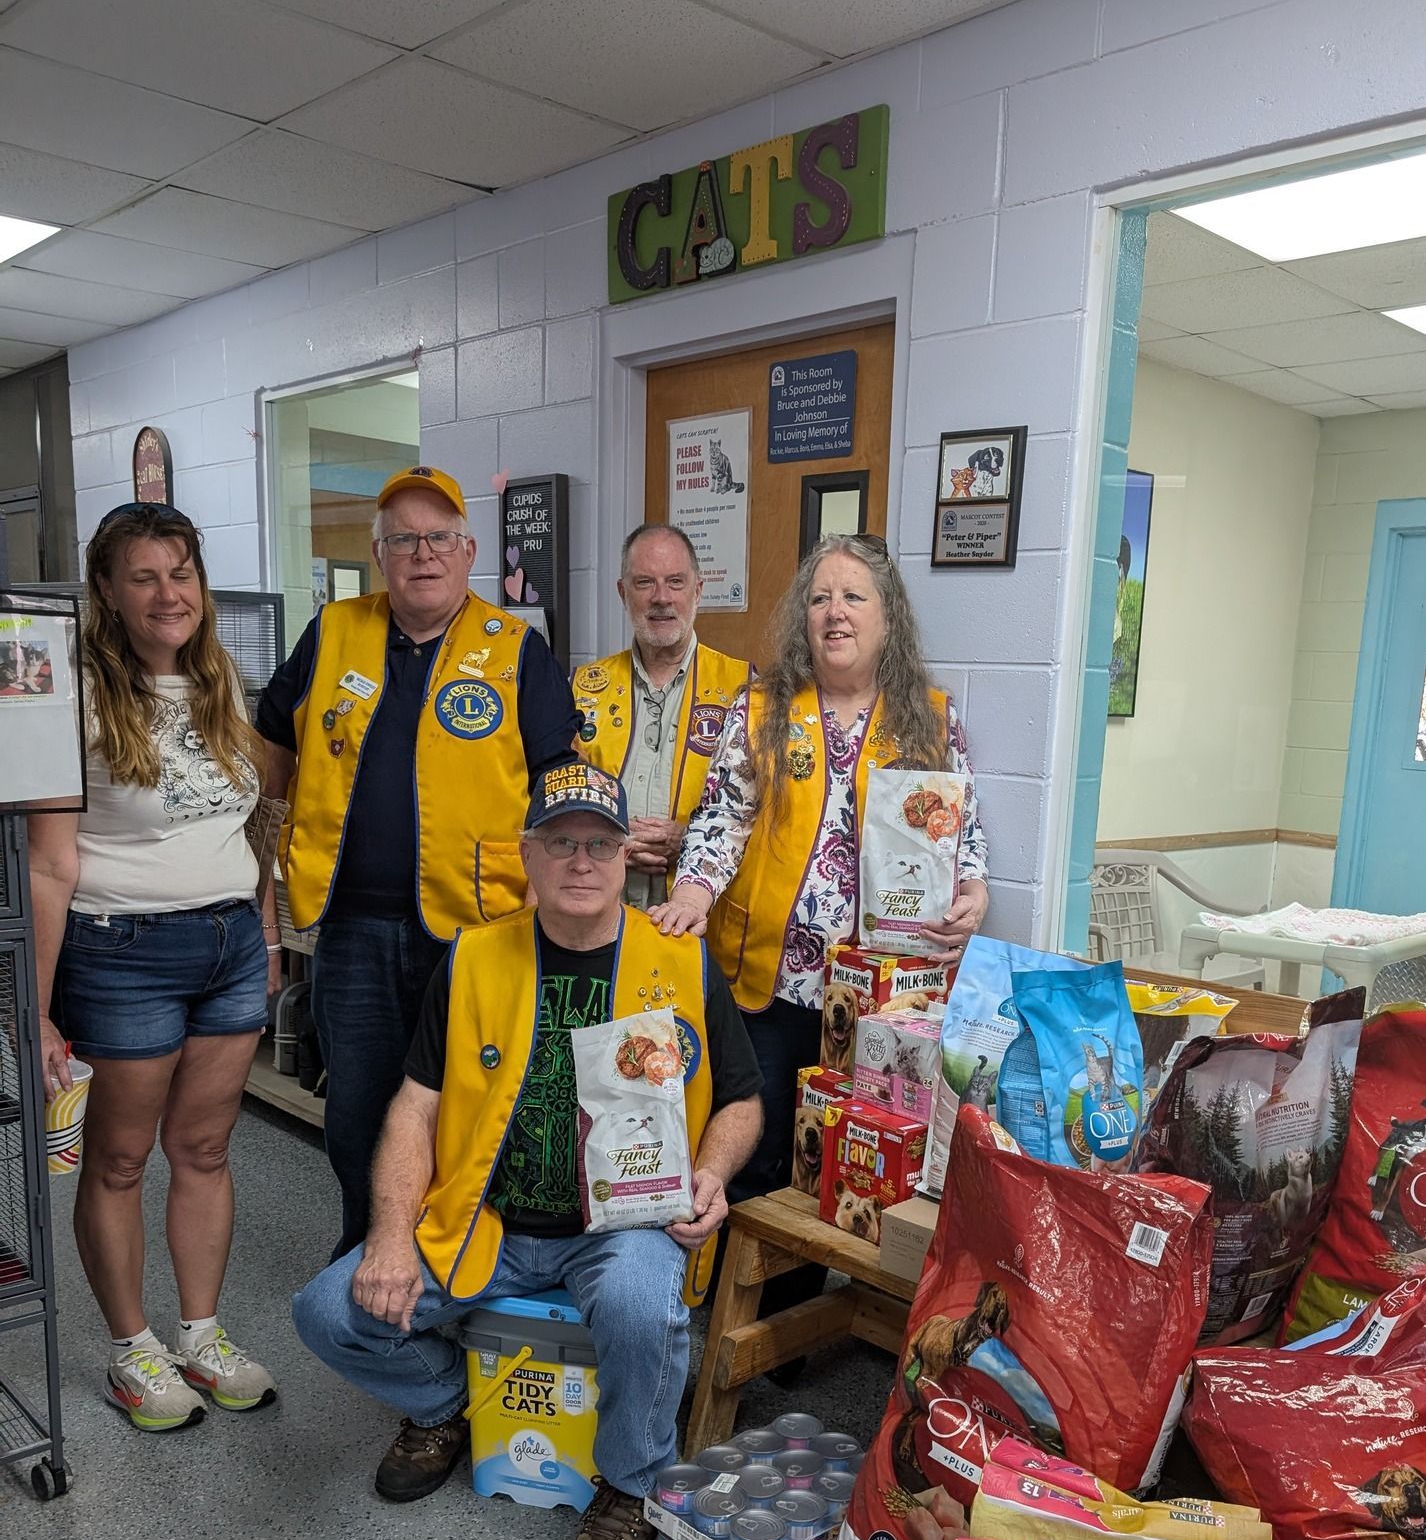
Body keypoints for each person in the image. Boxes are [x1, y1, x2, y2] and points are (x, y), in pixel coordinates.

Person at [292, 763, 763, 1540]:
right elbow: (415, 1106)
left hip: (623, 1224)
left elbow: (741, 1102)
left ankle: (629, 1482)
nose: (580, 861)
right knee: (328, 1311)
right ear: (528, 856)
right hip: (489, 1219)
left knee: (637, 1303)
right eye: (559, 843)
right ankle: (445, 1408)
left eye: (600, 844)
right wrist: (390, 1236)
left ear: (629, 860)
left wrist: (711, 1174)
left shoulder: (682, 962)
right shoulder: (473, 957)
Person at [257, 465, 580, 1260]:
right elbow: (271, 746)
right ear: (379, 553)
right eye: (403, 538)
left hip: (479, 931)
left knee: (474, 1105)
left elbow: (559, 782)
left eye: (439, 538)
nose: (423, 553)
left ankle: (461, 1255)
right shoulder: (332, 631)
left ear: (469, 550)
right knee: (360, 1110)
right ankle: (369, 1251)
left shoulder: (516, 649)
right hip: (352, 929)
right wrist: (261, 879)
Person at [27, 503, 279, 1431]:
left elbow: (249, 822)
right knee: (123, 1159)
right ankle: (132, 1350)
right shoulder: (71, 699)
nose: (169, 594)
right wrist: (37, 1007)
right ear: (107, 591)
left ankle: (201, 1333)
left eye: (182, 573)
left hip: (228, 947)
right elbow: (49, 864)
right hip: (120, 952)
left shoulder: (222, 685)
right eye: (145, 576)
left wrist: (266, 932)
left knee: (206, 1150)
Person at [652, 533, 988, 1217]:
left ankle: (810, 1316)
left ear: (887, 617)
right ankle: (730, 1310)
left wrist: (975, 891)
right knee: (761, 1147)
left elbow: (962, 831)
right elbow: (723, 814)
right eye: (820, 598)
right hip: (768, 986)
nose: (835, 612)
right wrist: (694, 887)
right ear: (802, 618)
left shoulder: (930, 717)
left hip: (882, 995)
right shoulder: (762, 707)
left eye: (853, 597)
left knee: (848, 1163)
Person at [572, 523, 749, 908]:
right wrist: (608, 838)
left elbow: (763, 818)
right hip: (602, 909)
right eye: (644, 583)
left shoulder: (746, 690)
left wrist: (692, 838)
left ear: (698, 590)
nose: (661, 598)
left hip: (702, 917)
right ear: (623, 593)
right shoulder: (583, 689)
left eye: (675, 582)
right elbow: (561, 796)